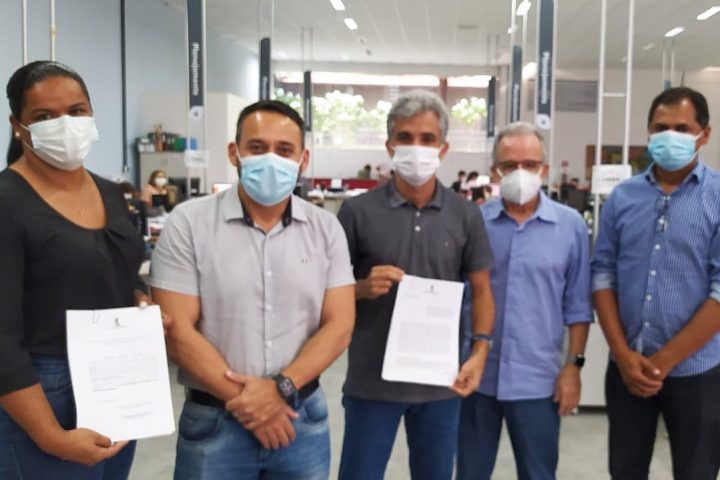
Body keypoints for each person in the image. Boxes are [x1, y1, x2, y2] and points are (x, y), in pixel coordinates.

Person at [150, 100, 356, 479]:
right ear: (235, 152)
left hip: (300, 417)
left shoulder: (326, 229)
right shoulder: (189, 223)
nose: (271, 159)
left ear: (303, 159)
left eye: (284, 150)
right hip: (215, 420)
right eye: (258, 147)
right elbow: (176, 331)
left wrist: (279, 390)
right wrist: (252, 403)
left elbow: (340, 325)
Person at [0, 61, 149, 479]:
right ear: (18, 126)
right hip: (40, 390)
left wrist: (139, 297)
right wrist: (50, 436)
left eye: (76, 111)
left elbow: (119, 268)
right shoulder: (7, 201)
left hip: (115, 378)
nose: (65, 124)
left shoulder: (110, 193)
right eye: (44, 116)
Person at [336, 90, 495, 480]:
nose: (417, 148)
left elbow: (482, 290)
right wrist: (360, 288)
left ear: (443, 148)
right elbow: (328, 293)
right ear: (389, 145)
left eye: (427, 139)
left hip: (440, 383)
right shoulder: (357, 212)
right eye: (405, 138)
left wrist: (480, 351)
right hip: (372, 383)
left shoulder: (465, 215)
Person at [592, 87, 720, 479]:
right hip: (626, 369)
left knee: (696, 471)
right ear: (648, 132)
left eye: (682, 128)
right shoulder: (623, 198)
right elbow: (603, 275)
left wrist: (662, 363)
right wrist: (623, 356)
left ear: (704, 135)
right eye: (661, 128)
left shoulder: (717, 197)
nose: (670, 136)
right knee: (625, 470)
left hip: (697, 373)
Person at [457, 122, 592, 480]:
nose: (521, 173)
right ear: (495, 171)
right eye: (510, 165)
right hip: (474, 377)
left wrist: (573, 368)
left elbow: (578, 306)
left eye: (530, 165)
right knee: (470, 472)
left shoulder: (570, 227)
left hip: (538, 381)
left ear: (543, 169)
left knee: (538, 474)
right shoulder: (473, 223)